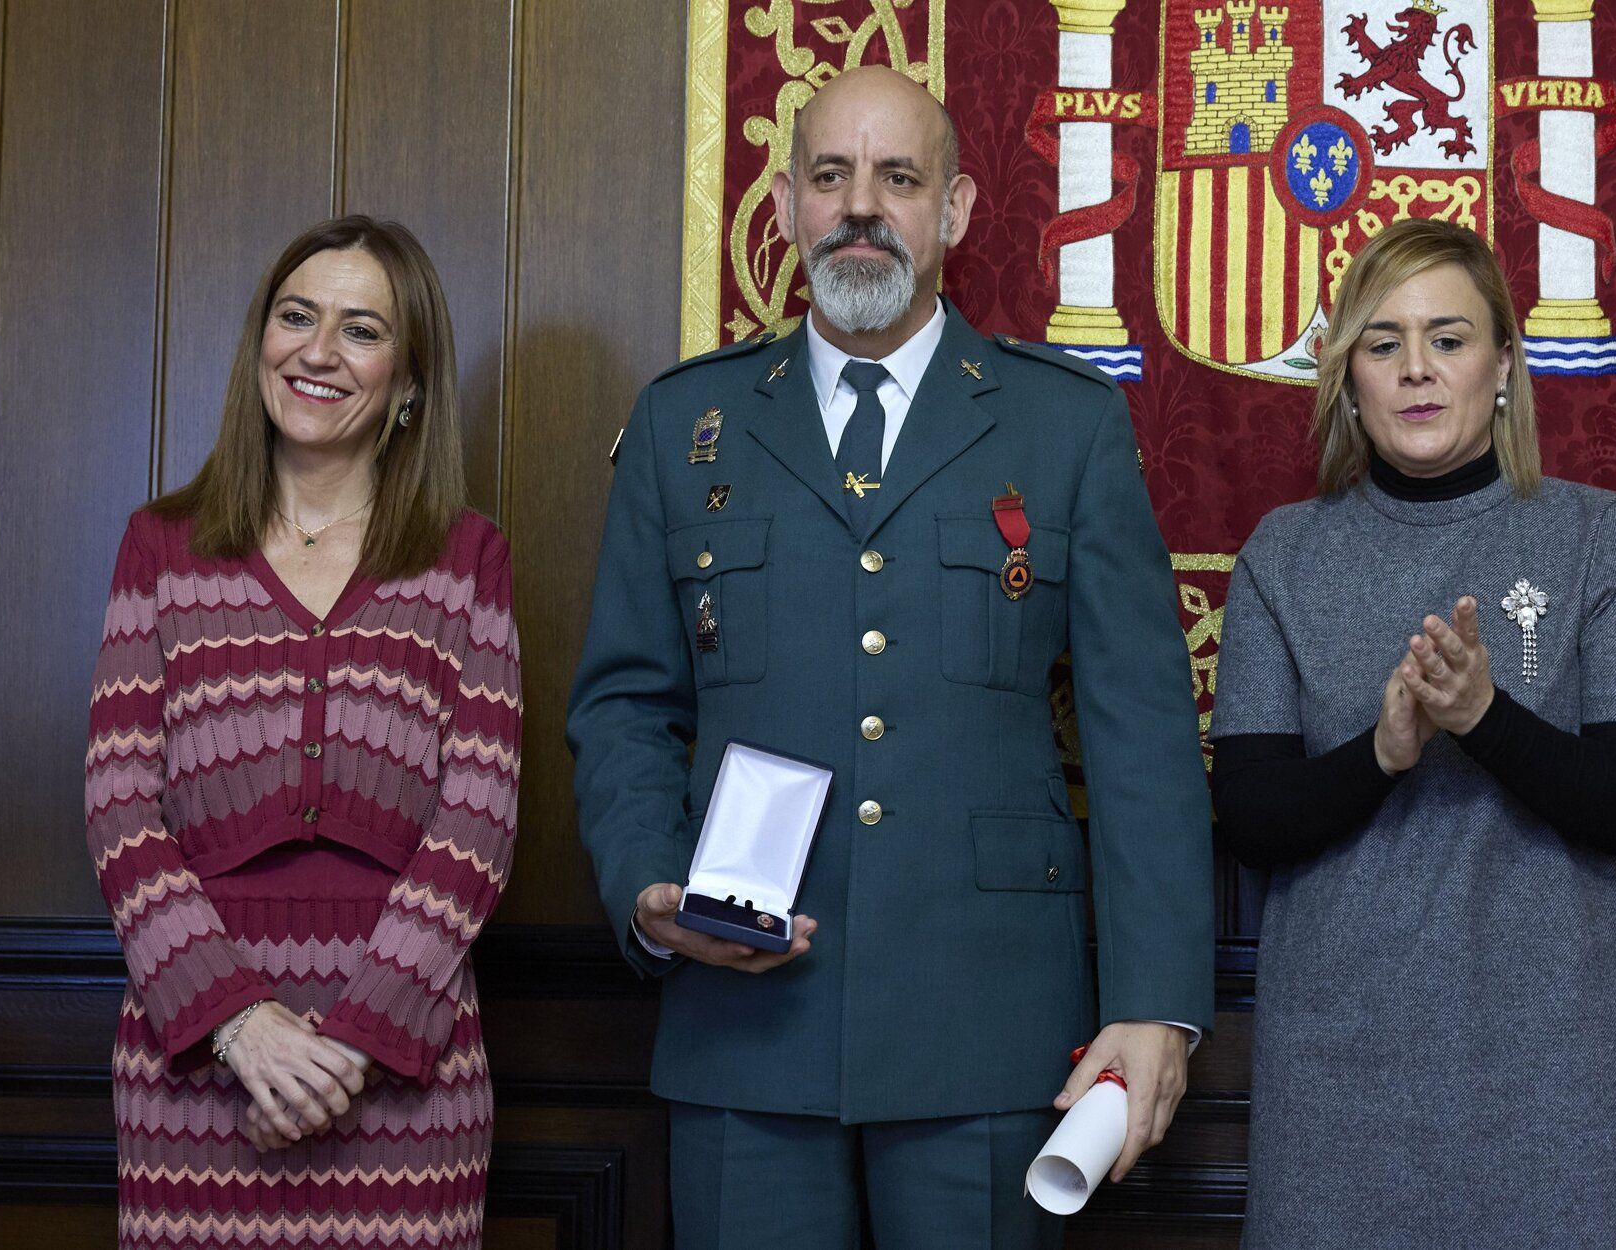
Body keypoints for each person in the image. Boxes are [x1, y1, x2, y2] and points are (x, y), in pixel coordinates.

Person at [568, 65, 1213, 1248]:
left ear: (954, 209)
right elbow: (623, 705)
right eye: (830, 176)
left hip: (989, 1024)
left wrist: (1156, 1001)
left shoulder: (1062, 424)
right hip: (745, 1026)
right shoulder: (684, 425)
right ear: (787, 208)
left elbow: (1143, 735)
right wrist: (650, 890)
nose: (862, 206)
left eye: (898, 178)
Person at [1208, 217, 1616, 1248]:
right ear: (1347, 376)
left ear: (1505, 364)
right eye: (1382, 343)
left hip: (1558, 1083)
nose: (1417, 369)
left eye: (1449, 337)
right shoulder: (1282, 555)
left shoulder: (1599, 534)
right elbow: (1251, 815)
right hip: (1342, 1084)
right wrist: (1385, 751)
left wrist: (1482, 716)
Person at [85, 215, 520, 1250]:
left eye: (361, 329)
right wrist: (240, 1024)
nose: (318, 350)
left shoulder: (466, 558)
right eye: (296, 317)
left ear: (408, 381)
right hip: (195, 1064)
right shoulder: (162, 546)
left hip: (408, 1071)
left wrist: (355, 1042)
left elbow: (480, 822)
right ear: (261, 345)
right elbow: (119, 809)